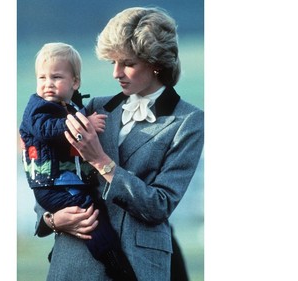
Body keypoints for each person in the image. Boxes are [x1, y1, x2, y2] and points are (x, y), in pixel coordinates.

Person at [34, 7, 204, 281]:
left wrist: (101, 160)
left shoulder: (190, 120)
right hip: (73, 262)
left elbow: (160, 205)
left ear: (155, 62)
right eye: (112, 62)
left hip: (137, 267)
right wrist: (51, 219)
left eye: (128, 63)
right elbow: (49, 170)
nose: (116, 73)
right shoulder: (94, 107)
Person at [19, 42, 137, 280]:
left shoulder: (69, 106)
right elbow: (47, 130)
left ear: (75, 82)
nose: (47, 83)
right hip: (51, 185)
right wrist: (85, 122)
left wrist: (81, 114)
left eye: (56, 77)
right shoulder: (37, 108)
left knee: (95, 208)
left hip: (66, 181)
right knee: (89, 216)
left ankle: (88, 253)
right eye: (42, 77)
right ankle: (113, 261)